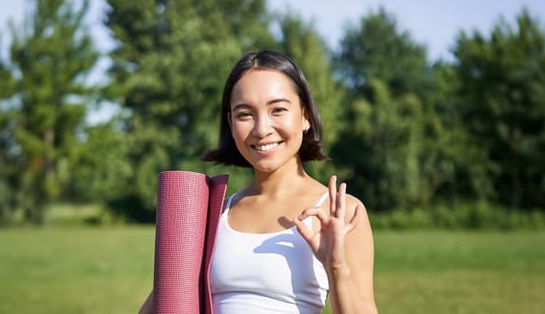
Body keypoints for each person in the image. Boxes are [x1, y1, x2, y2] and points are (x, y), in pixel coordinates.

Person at [138, 50, 378, 314]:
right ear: (231, 123)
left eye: (278, 110)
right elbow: (162, 305)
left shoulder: (340, 212)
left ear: (305, 116)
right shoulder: (212, 213)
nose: (262, 129)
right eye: (245, 114)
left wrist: (336, 267)